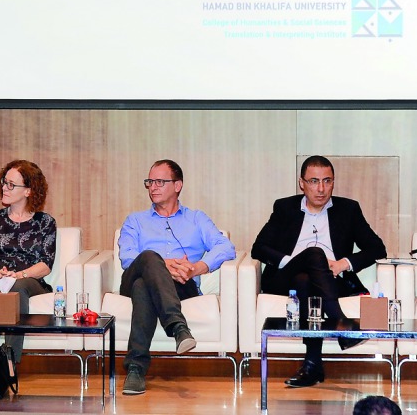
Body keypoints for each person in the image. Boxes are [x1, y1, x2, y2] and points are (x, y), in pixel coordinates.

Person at [251, 154, 387, 388]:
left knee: (306, 280)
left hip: (329, 280)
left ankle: (313, 364)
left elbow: (378, 248)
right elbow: (258, 248)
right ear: (302, 183)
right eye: (314, 181)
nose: (321, 188)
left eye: (327, 181)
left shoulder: (348, 209)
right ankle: (341, 321)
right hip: (285, 278)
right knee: (313, 254)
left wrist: (343, 263)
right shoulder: (284, 208)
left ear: (333, 182)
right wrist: (293, 260)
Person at [118, 159, 236, 395]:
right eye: (150, 182)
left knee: (145, 287)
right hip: (133, 278)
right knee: (149, 258)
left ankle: (135, 369)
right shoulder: (136, 221)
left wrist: (196, 268)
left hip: (182, 284)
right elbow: (128, 258)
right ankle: (178, 327)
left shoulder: (196, 219)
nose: (153, 187)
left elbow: (226, 247)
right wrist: (162, 264)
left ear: (178, 185)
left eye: (160, 181)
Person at [0, 159, 57, 366]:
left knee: (17, 288)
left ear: (28, 191)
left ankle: (9, 362)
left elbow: (45, 264)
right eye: (4, 182)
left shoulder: (45, 223)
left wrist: (19, 275)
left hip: (28, 280)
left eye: (11, 184)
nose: (4, 187)